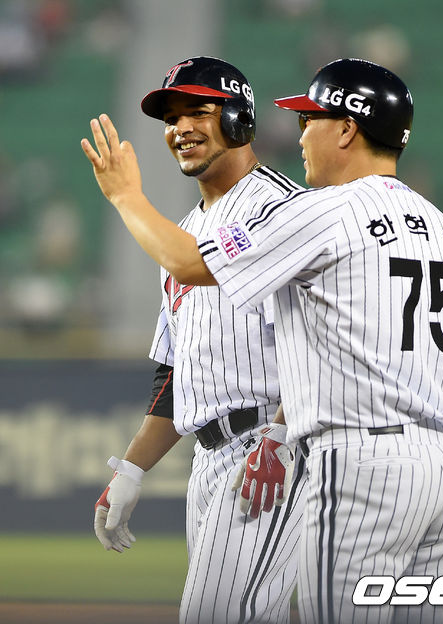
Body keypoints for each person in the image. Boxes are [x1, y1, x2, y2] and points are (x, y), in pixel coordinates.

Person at [82, 58, 443, 624]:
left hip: (336, 455)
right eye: (172, 118)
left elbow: (191, 264)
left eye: (310, 120)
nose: (300, 135)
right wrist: (132, 467)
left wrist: (126, 195)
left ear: (347, 129)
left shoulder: (309, 211)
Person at [85, 56, 307, 624]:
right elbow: (175, 371)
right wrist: (131, 469)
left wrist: (281, 438)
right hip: (210, 458)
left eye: (197, 112)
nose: (180, 128)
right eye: (171, 118)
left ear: (238, 118)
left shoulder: (281, 210)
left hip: (271, 448)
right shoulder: (184, 232)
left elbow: (321, 346)